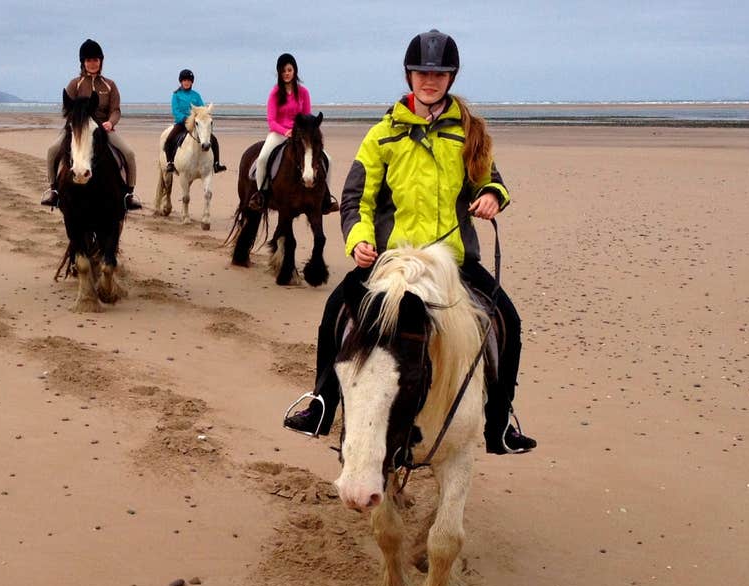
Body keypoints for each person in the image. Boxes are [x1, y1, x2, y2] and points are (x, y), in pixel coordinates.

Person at [282, 29, 537, 455]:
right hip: (392, 261)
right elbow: (354, 198)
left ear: (451, 78)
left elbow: (491, 180)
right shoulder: (382, 134)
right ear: (409, 75)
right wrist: (360, 241)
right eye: (421, 72)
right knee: (333, 312)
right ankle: (322, 405)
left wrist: (492, 196)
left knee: (507, 320)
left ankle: (499, 423)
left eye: (438, 73)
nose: (429, 80)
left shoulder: (469, 133)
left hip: (453, 261)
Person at [41, 39, 142, 211]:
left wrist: (110, 122)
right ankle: (54, 191)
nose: (92, 63)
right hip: (79, 130)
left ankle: (129, 195)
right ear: (83, 62)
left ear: (101, 61)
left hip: (102, 128)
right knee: (52, 150)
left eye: (96, 60)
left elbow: (116, 110)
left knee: (129, 153)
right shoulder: (75, 84)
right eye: (88, 60)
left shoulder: (110, 85)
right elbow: (68, 108)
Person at [246, 53, 338, 213]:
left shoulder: (303, 92)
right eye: (283, 71)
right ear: (279, 74)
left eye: (289, 70)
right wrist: (285, 131)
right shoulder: (275, 93)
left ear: (294, 70)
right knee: (262, 159)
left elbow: (308, 118)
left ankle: (325, 197)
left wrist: (303, 134)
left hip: (300, 136)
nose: (286, 73)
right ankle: (261, 194)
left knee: (328, 159)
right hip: (278, 133)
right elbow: (272, 120)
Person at [163, 69, 227, 174]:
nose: (186, 82)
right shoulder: (176, 95)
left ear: (192, 82)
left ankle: (216, 164)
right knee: (169, 139)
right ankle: (170, 162)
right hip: (182, 123)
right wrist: (185, 119)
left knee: (213, 140)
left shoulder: (196, 95)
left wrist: (204, 116)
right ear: (181, 81)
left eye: (189, 80)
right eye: (184, 80)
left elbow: (202, 109)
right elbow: (175, 110)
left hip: (196, 124)